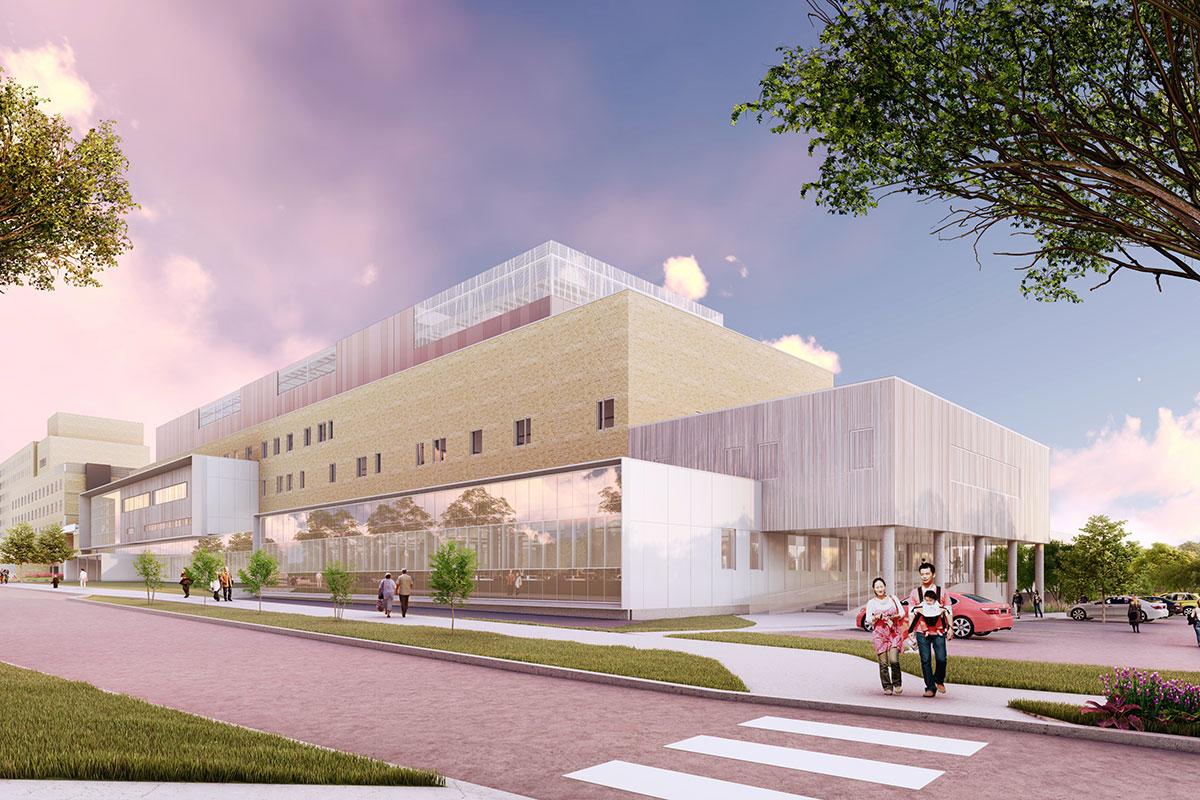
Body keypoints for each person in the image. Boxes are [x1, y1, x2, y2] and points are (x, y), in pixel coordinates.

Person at [908, 561, 952, 697]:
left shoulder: (942, 591)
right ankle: (930, 687)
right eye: (922, 574)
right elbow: (911, 613)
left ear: (934, 574)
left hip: (939, 631)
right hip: (922, 632)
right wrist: (911, 632)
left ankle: (939, 679)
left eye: (927, 573)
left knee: (941, 658)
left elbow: (949, 610)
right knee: (925, 659)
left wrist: (951, 628)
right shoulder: (915, 593)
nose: (925, 576)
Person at [865, 577, 906, 695]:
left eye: (881, 586)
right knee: (883, 663)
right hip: (879, 634)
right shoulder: (871, 603)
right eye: (877, 587)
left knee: (894, 660)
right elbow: (868, 619)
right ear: (873, 589)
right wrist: (876, 617)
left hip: (893, 632)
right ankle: (887, 686)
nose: (880, 589)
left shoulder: (893, 598)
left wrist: (895, 617)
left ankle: (897, 683)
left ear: (885, 586)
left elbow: (902, 613)